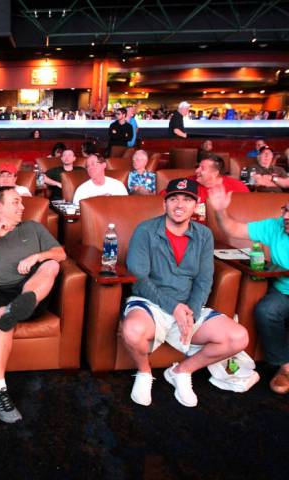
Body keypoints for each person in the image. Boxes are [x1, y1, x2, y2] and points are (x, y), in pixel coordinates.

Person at [122, 178, 249, 407]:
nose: (179, 205)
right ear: (165, 204)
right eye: (173, 199)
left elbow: (203, 280)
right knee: (132, 331)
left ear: (196, 205)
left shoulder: (204, 235)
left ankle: (181, 371)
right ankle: (143, 372)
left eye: (186, 199)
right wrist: (174, 308)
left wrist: (191, 311)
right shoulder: (145, 230)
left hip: (188, 305)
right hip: (151, 304)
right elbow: (139, 279)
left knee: (239, 337)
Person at [0, 187, 66, 423]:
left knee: (51, 266)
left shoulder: (34, 227)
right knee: (2, 316)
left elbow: (60, 253)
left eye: (22, 203)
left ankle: (20, 304)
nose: (22, 207)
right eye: (16, 202)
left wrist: (37, 257)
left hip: (31, 289)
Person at [208, 186, 289, 394]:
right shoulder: (275, 226)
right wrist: (220, 211)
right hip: (283, 291)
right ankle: (285, 367)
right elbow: (233, 229)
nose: (286, 217)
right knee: (267, 311)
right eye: (285, 210)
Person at [191, 155, 249, 221]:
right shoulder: (188, 182)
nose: (196, 170)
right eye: (198, 166)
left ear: (215, 173)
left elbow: (247, 213)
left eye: (202, 168)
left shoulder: (238, 187)